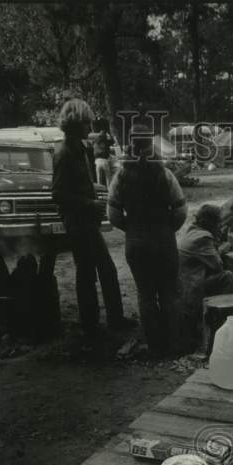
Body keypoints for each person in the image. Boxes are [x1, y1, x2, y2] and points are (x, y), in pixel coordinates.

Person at [51, 98, 134, 337]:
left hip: (86, 219)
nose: (91, 126)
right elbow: (58, 194)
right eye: (87, 122)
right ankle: (99, 323)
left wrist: (96, 197)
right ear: (76, 123)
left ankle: (100, 322)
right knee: (93, 271)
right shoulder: (64, 153)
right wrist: (90, 203)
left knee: (95, 270)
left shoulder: (80, 148)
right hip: (77, 221)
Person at [107, 122, 188, 356]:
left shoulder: (121, 177)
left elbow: (113, 215)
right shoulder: (165, 174)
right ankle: (173, 344)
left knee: (145, 294)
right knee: (169, 293)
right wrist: (167, 229)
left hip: (137, 242)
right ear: (152, 143)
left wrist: (131, 228)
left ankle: (154, 346)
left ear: (130, 144)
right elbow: (181, 210)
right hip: (163, 240)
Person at [176, 204, 233, 352]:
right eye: (219, 223)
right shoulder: (204, 237)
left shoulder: (192, 230)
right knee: (228, 276)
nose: (221, 226)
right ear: (212, 223)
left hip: (182, 282)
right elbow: (218, 265)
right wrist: (229, 243)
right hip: (192, 287)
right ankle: (231, 319)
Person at [91, 116, 116, 186]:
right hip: (105, 160)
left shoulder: (95, 139)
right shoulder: (105, 138)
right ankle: (109, 193)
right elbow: (112, 141)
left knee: (99, 182)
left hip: (97, 161)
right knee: (108, 180)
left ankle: (101, 195)